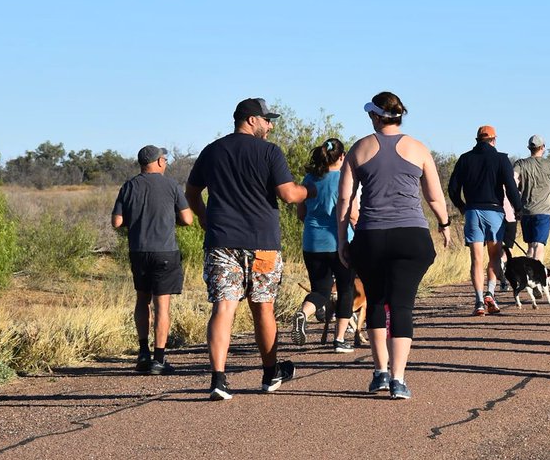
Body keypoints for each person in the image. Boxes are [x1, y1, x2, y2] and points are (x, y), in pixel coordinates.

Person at [185, 98, 310, 401]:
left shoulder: (212, 151)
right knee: (263, 306)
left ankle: (218, 379)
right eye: (267, 120)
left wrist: (203, 216)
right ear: (252, 120)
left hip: (221, 242)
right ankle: (269, 373)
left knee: (223, 307)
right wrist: (310, 190)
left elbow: (191, 191)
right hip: (262, 243)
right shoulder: (269, 152)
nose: (271, 126)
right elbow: (288, 194)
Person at [337, 92, 452, 400]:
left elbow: (345, 199)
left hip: (371, 236)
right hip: (411, 236)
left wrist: (342, 240)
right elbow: (434, 197)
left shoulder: (359, 148)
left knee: (376, 301)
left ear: (376, 116)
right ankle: (398, 380)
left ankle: (380, 373)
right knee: (401, 305)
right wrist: (445, 224)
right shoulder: (418, 148)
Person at [112, 145, 193, 375]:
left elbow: (117, 222)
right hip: (164, 251)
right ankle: (159, 359)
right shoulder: (171, 185)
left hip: (138, 251)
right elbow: (188, 219)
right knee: (162, 305)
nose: (165, 162)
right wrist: (171, 220)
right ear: (157, 162)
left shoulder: (129, 186)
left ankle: (143, 353)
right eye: (164, 159)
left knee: (142, 300)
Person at [291, 138, 359, 352]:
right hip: (340, 241)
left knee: (320, 289)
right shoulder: (344, 178)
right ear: (342, 156)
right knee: (346, 289)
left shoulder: (309, 178)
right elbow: (353, 214)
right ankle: (339, 339)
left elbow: (301, 213)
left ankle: (304, 312)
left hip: (312, 242)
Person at [448, 125, 524, 315]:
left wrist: (461, 206)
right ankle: (490, 292)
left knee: (476, 259)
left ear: (477, 140)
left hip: (472, 211)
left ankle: (479, 302)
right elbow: (510, 187)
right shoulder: (501, 159)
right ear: (493, 140)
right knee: (495, 257)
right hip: (494, 212)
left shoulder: (465, 159)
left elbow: (452, 188)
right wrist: (518, 208)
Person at [513, 135, 550, 263]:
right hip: (543, 212)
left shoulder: (521, 163)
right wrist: (547, 184)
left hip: (526, 211)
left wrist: (521, 186)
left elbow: (513, 179)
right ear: (543, 147)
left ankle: (528, 272)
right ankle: (536, 272)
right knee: (538, 245)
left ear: (529, 148)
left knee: (530, 246)